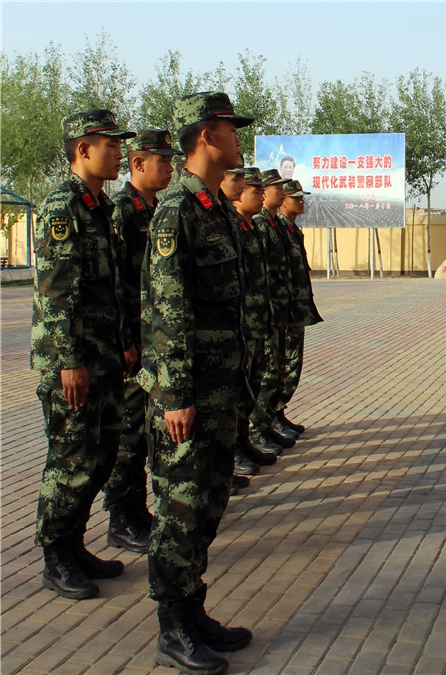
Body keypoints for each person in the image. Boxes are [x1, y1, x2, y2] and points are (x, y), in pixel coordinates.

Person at [140, 92, 253, 674]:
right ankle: (173, 627)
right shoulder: (176, 213)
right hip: (189, 395)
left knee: (207, 504)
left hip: (219, 388)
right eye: (232, 128)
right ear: (207, 135)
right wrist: (177, 395)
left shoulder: (212, 207)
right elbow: (170, 310)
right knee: (179, 510)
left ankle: (194, 609)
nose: (239, 138)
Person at [32, 109, 137, 600]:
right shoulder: (63, 208)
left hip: (104, 357)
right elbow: (56, 293)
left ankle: (74, 546)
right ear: (83, 150)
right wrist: (68, 361)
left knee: (100, 456)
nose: (119, 153)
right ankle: (55, 554)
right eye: (111, 145)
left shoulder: (102, 207)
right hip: (72, 362)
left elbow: (109, 288)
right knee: (70, 457)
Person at [104, 129, 181, 555]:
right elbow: (115, 285)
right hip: (133, 345)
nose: (169, 167)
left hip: (150, 342)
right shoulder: (122, 211)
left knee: (143, 431)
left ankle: (137, 510)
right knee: (129, 433)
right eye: (162, 161)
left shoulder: (154, 211)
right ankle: (121, 516)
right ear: (138, 164)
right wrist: (125, 341)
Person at [225, 165, 280, 473]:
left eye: (261, 190)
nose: (259, 195)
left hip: (259, 320)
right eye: (254, 190)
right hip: (242, 323)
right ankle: (236, 449)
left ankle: (245, 441)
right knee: (241, 384)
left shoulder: (250, 227)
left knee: (255, 381)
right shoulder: (232, 224)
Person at [251, 170, 297, 452]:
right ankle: (257, 429)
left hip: (280, 310)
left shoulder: (277, 224)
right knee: (267, 373)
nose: (283, 193)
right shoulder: (261, 224)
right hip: (265, 314)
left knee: (281, 370)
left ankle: (271, 419)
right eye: (277, 188)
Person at [277, 180, 323, 435]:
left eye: (302, 197)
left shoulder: (292, 230)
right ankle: (266, 420)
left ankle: (277, 414)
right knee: (280, 368)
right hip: (286, 314)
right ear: (283, 200)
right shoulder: (278, 229)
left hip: (296, 312)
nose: (301, 201)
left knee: (291, 368)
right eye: (296, 197)